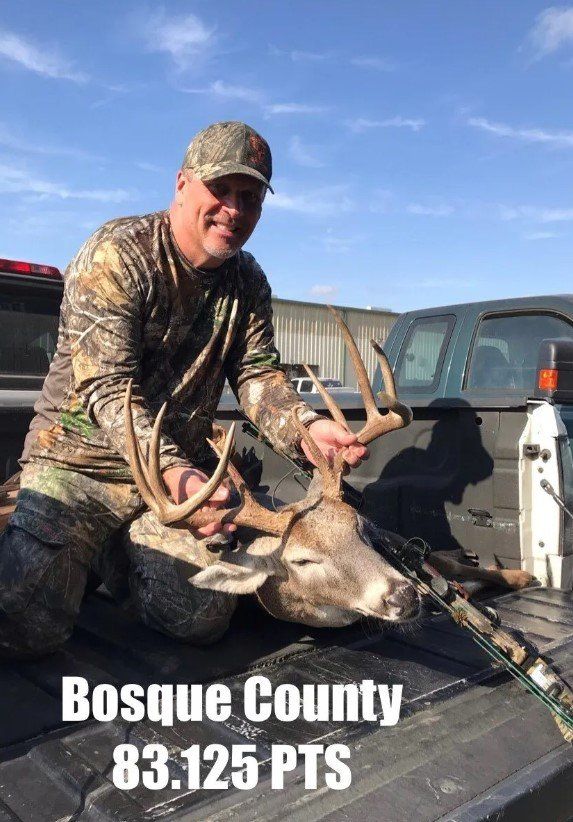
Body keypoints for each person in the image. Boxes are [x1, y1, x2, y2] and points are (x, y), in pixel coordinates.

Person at [0, 121, 367, 657]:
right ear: (181, 184)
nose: (234, 210)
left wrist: (307, 429)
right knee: (24, 627)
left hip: (185, 482)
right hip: (81, 468)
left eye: (250, 196)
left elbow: (257, 376)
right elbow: (108, 389)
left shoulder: (248, 282)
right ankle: (87, 548)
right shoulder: (118, 256)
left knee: (200, 616)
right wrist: (175, 471)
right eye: (220, 189)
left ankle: (120, 553)